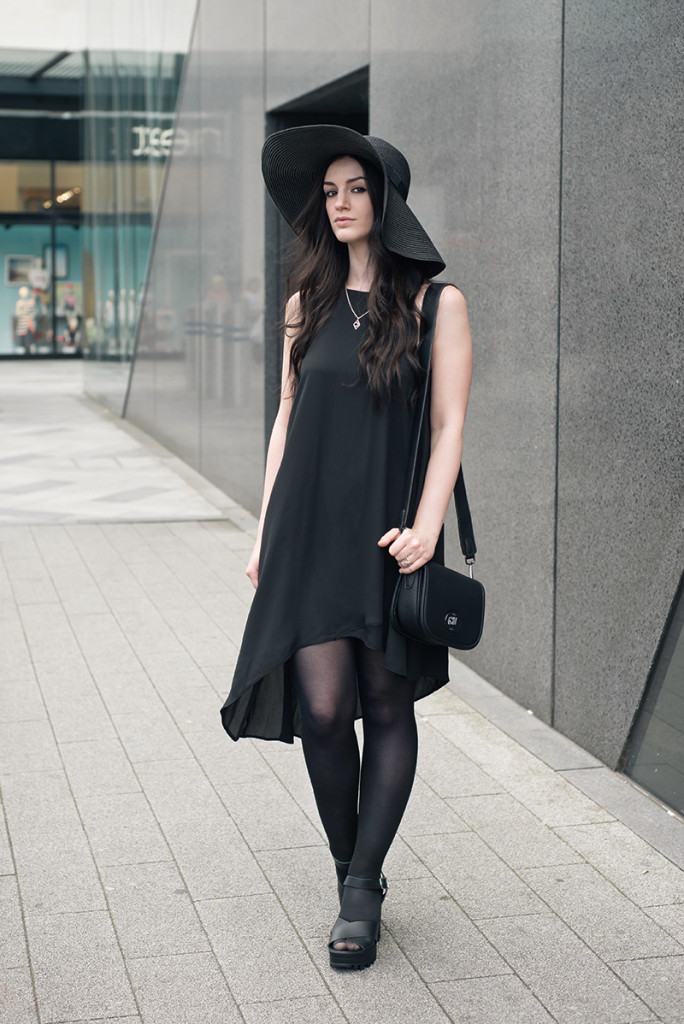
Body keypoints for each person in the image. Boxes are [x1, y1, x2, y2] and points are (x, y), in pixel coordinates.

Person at [221, 125, 473, 969]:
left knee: (386, 703)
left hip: (391, 532)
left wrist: (429, 526)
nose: (338, 204)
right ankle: (346, 864)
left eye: (354, 188)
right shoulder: (307, 306)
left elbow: (449, 428)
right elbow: (287, 425)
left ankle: (361, 889)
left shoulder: (439, 306)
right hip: (308, 534)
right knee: (325, 712)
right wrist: (264, 533)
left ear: (385, 199)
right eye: (327, 193)